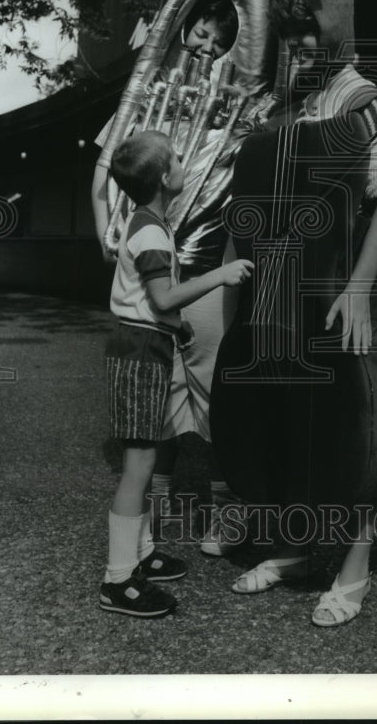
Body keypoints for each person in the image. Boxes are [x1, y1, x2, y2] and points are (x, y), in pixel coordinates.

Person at [210, 0, 377, 627]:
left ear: (336, 33)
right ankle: (296, 548)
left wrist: (357, 289)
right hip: (273, 292)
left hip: (336, 289)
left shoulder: (371, 102)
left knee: (348, 426)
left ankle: (353, 567)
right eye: (288, 35)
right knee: (283, 420)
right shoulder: (283, 107)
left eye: (307, 33)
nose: (296, 47)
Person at [92, 0, 275, 555]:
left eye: (220, 42)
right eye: (199, 32)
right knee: (160, 396)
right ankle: (158, 516)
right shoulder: (150, 96)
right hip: (152, 267)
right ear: (184, 28)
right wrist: (105, 230)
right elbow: (104, 166)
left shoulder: (239, 109)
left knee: (215, 390)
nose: (204, 46)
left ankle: (225, 513)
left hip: (205, 263)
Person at [99, 129, 253, 617]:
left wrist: (179, 328)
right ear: (166, 177)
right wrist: (218, 276)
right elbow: (162, 297)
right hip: (139, 351)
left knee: (145, 461)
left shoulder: (150, 222)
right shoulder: (150, 230)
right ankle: (117, 579)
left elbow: (154, 301)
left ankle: (141, 556)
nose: (188, 165)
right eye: (180, 160)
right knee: (138, 468)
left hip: (150, 343)